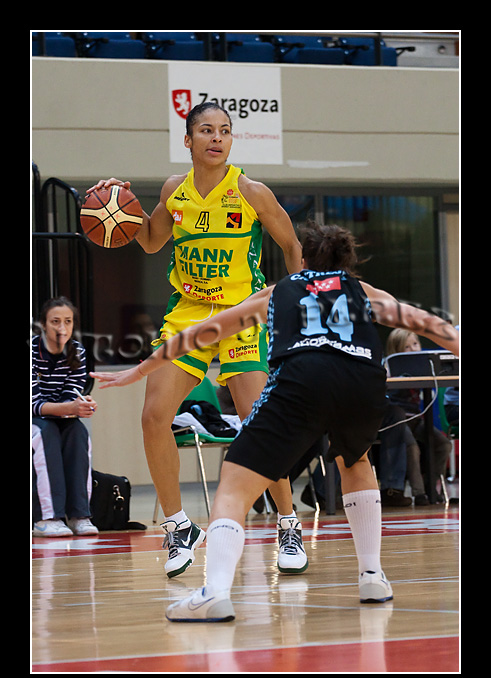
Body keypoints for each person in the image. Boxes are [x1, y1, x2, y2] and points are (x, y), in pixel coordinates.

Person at [91, 222, 459, 621]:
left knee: (233, 483)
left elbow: (201, 334)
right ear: (346, 264)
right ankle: (372, 576)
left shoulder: (279, 291)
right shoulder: (363, 291)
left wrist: (140, 370)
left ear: (303, 261)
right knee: (356, 463)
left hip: (301, 380)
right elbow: (430, 325)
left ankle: (215, 592)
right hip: (360, 381)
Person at [87, 102, 304, 577]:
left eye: (225, 130)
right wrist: (118, 205)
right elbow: (150, 241)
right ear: (188, 140)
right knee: (153, 416)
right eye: (206, 130)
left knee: (258, 420)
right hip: (188, 313)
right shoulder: (175, 190)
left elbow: (292, 246)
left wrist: (296, 306)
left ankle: (288, 521)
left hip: (240, 314)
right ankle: (178, 526)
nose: (216, 138)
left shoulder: (251, 192)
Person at [32, 297, 98, 537]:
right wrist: (70, 407)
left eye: (68, 321)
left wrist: (81, 405)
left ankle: (80, 515)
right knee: (44, 433)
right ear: (43, 325)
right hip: (36, 418)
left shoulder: (76, 351)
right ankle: (47, 517)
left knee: (78, 432)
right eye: (55, 322)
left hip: (57, 415)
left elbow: (72, 393)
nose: (62, 328)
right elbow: (34, 404)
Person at [385, 329, 452, 501]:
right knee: (412, 447)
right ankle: (419, 493)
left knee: (443, 444)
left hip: (416, 419)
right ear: (396, 350)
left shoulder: (423, 367)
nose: (413, 349)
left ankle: (432, 486)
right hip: (397, 420)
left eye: (415, 344)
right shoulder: (388, 366)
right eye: (406, 347)